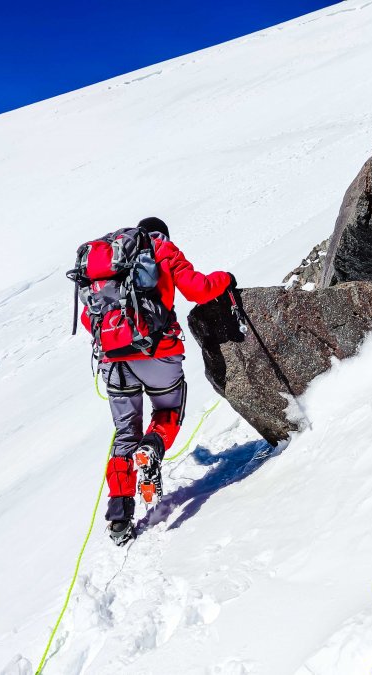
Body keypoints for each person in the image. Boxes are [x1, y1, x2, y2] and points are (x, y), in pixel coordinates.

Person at [89, 216, 234, 546]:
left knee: (125, 432)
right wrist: (226, 278)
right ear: (161, 233)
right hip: (159, 353)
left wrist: (117, 339)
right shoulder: (164, 250)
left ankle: (119, 519)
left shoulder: (107, 264)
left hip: (113, 361)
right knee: (168, 412)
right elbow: (198, 289)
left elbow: (90, 316)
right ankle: (152, 447)